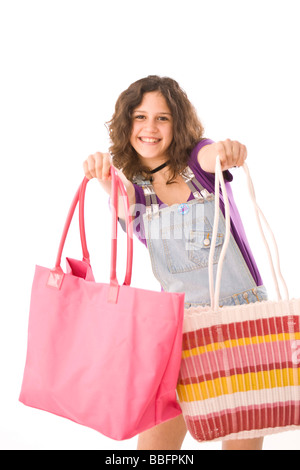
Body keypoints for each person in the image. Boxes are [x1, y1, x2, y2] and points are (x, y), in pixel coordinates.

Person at [83, 75, 267, 451]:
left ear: (176, 123)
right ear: (127, 123)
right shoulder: (135, 190)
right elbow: (119, 190)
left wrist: (228, 150)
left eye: (162, 118)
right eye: (140, 117)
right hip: (179, 332)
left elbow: (213, 155)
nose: (150, 128)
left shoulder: (199, 162)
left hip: (243, 321)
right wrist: (104, 171)